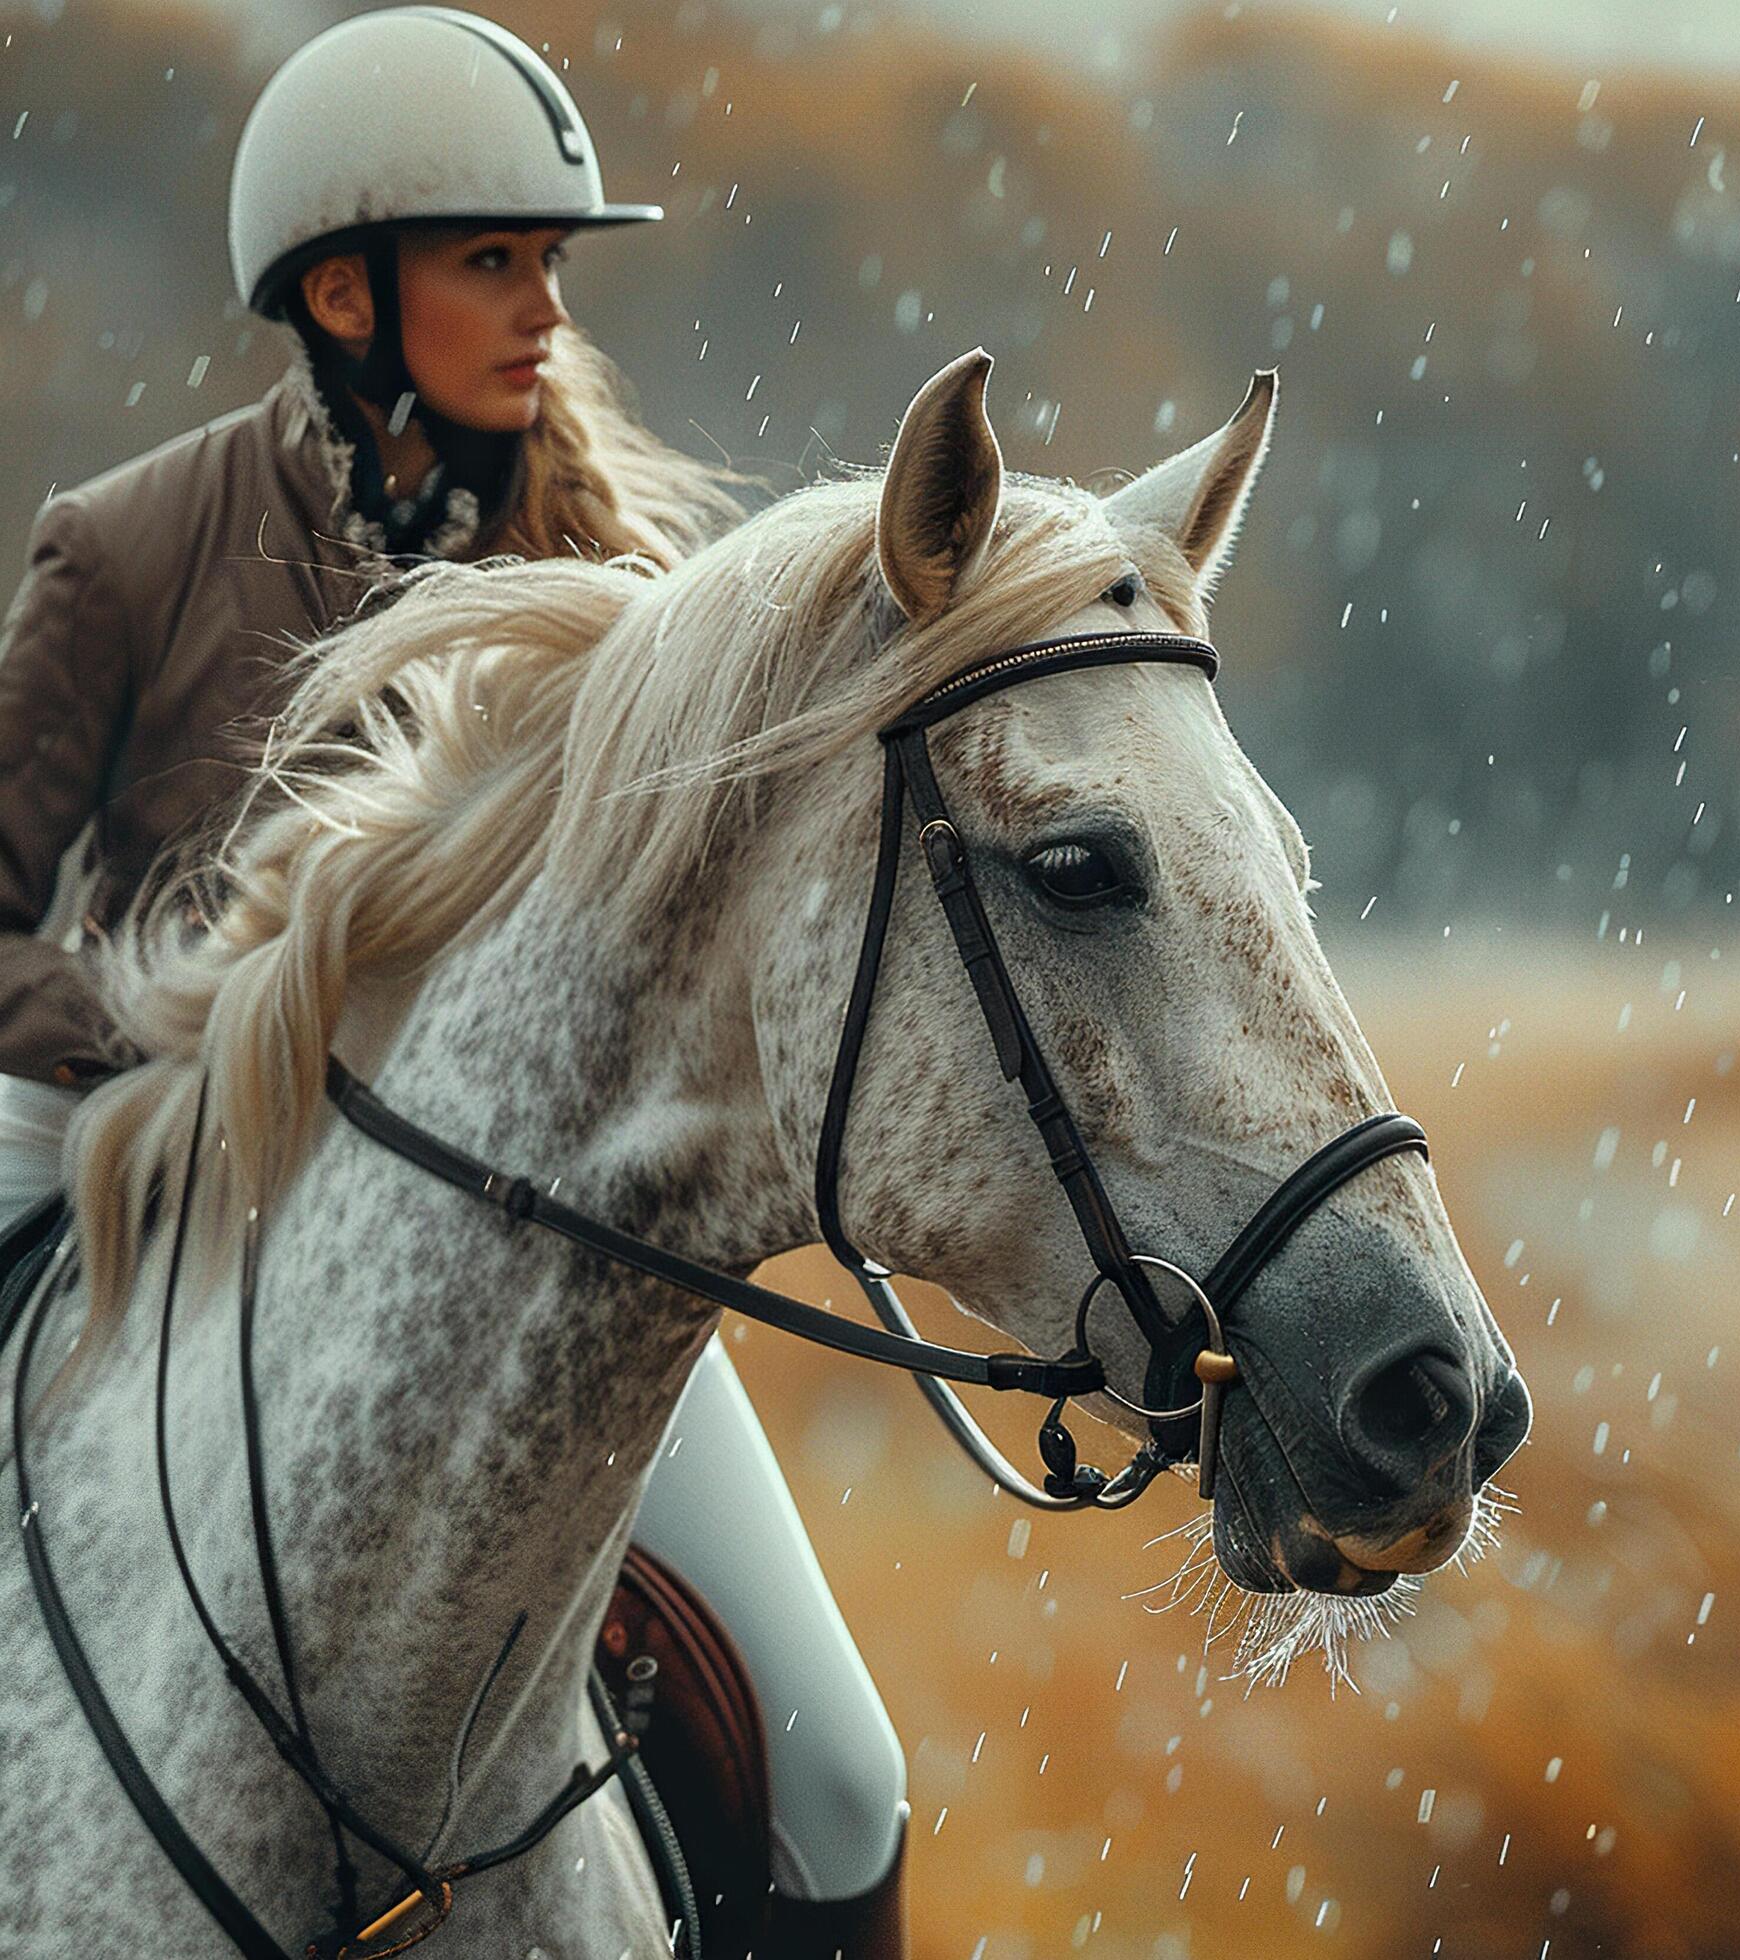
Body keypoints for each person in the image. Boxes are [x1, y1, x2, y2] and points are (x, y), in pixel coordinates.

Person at [0, 11, 911, 1953]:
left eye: (552, 267)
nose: (543, 312)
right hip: (150, 1193)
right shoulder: (123, 551)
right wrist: (166, 1056)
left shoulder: (626, 585)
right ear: (344, 290)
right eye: (495, 260)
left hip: (540, 1257)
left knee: (843, 1782)